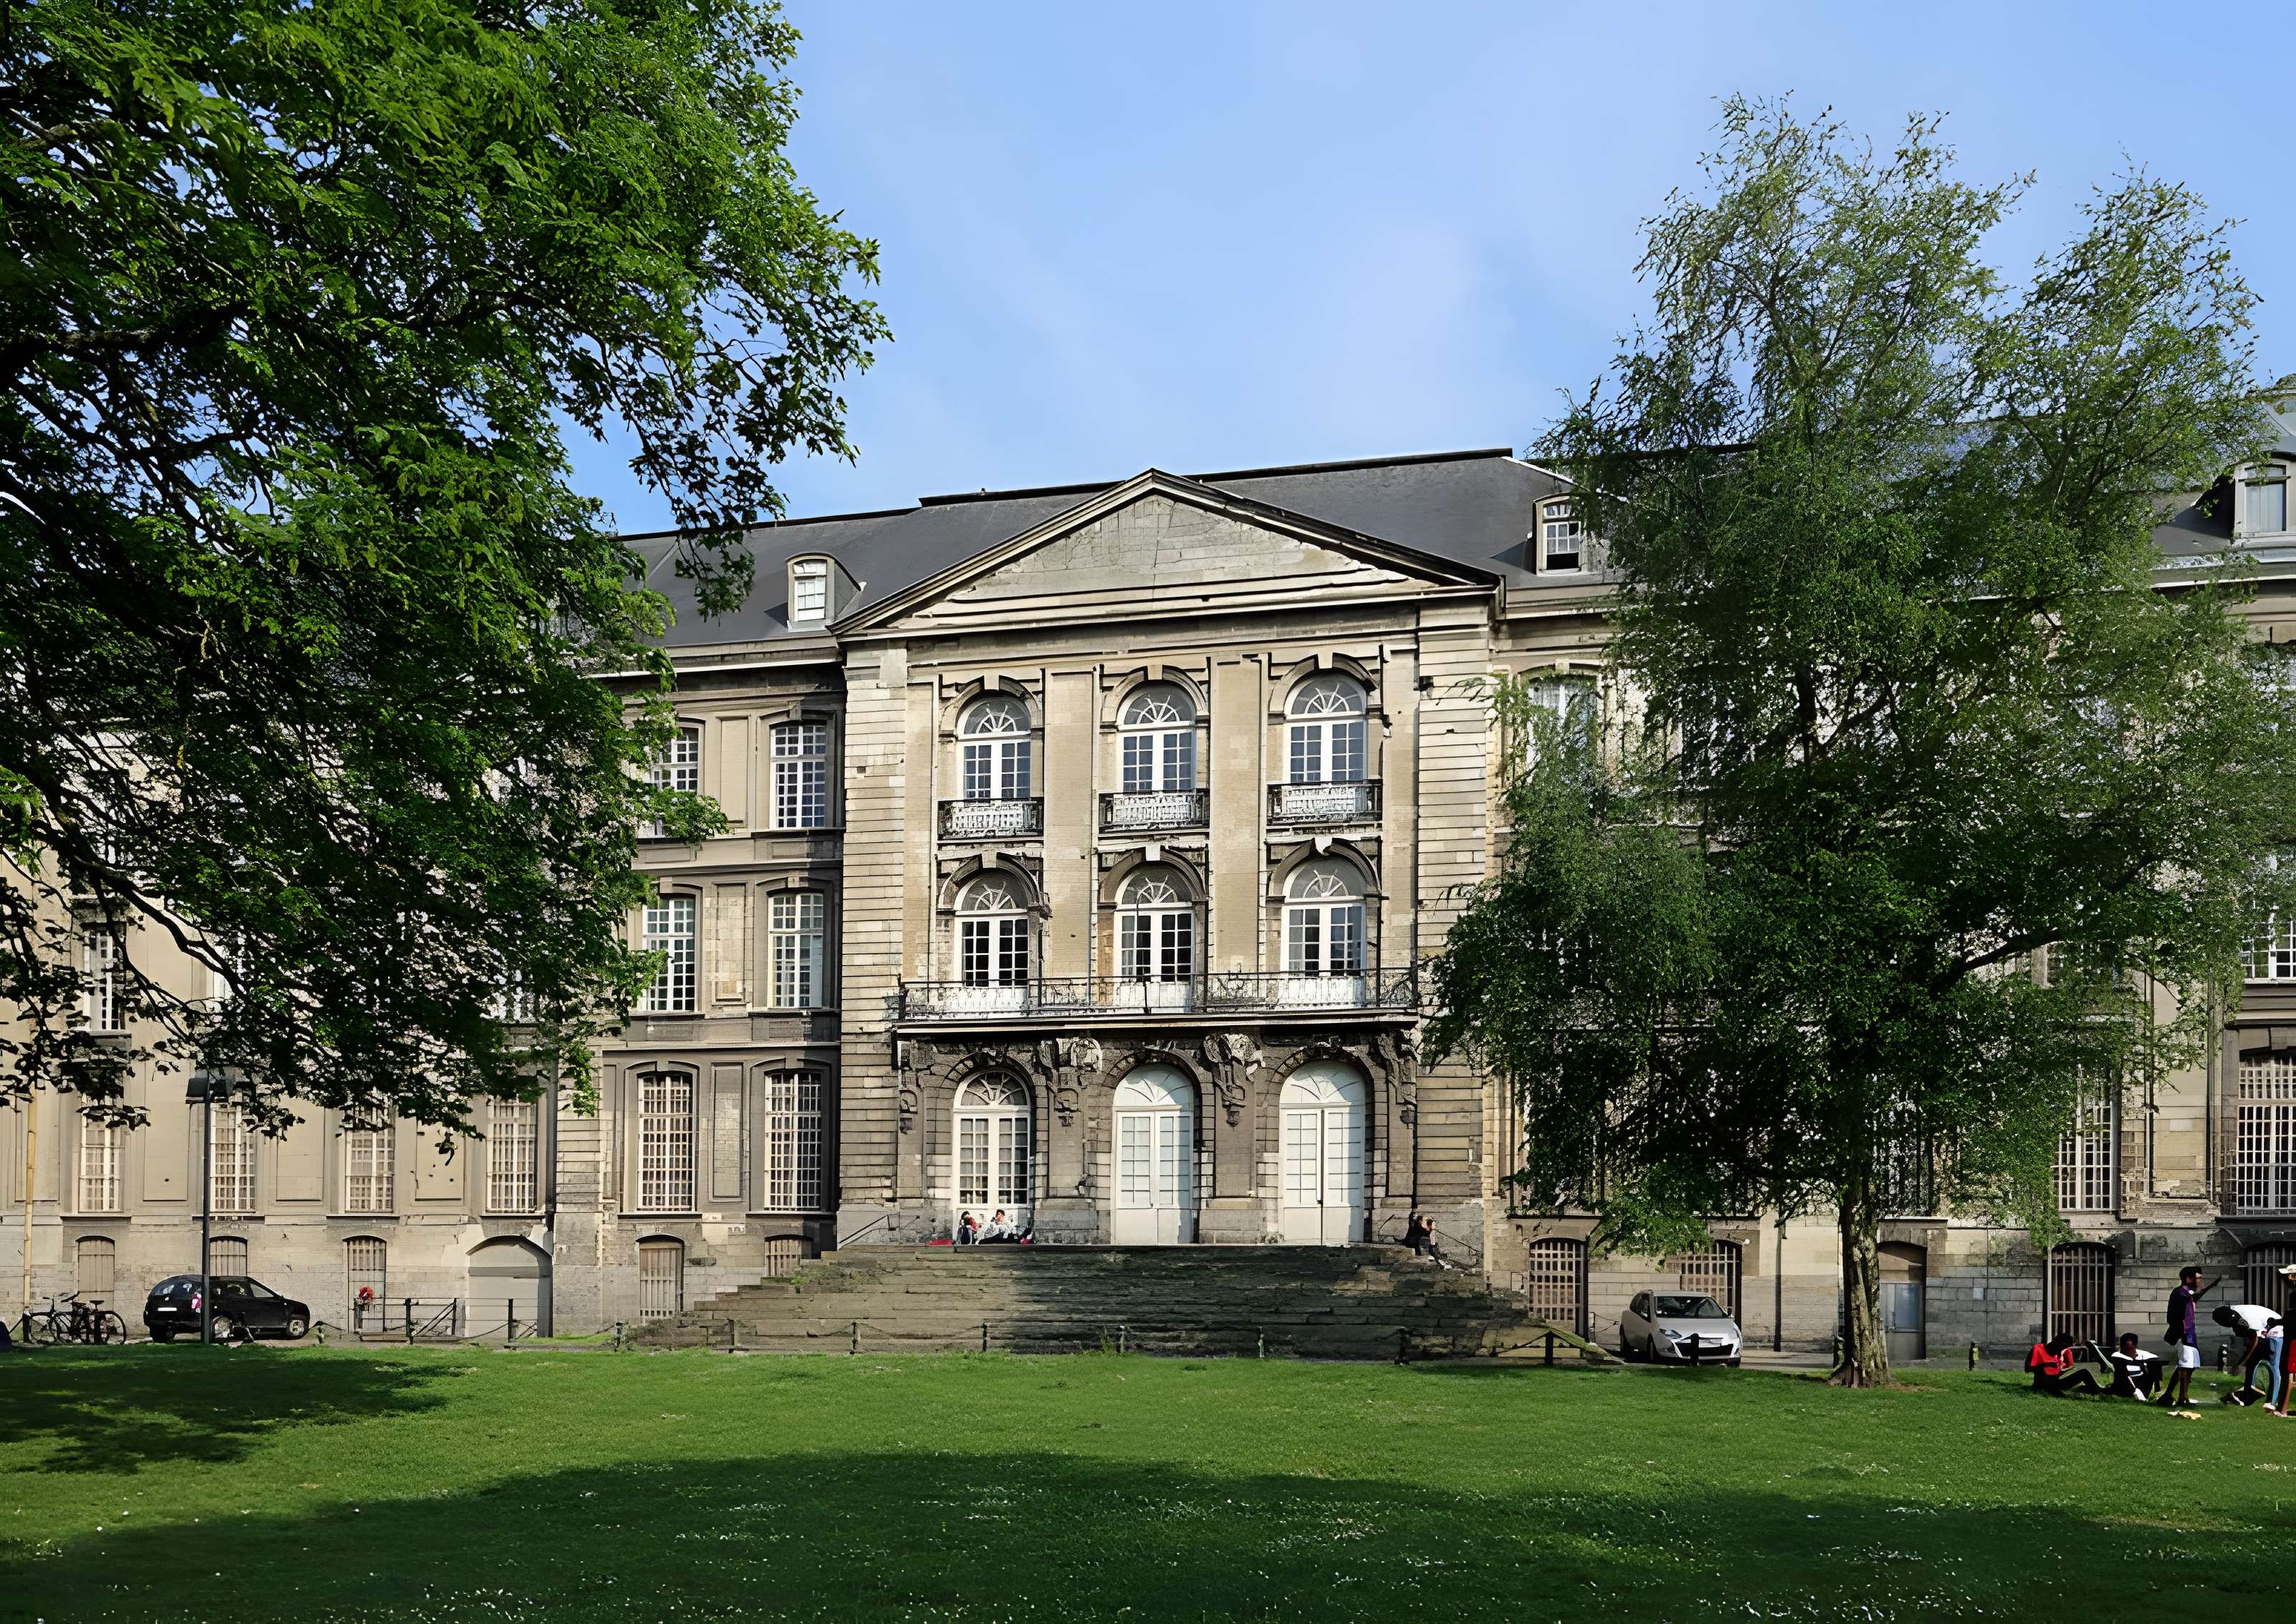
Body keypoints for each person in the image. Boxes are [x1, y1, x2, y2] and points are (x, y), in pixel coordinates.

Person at [2159, 1265, 2217, 1409]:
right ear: (2189, 1278)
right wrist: (2183, 1333)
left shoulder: (2187, 1293)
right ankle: (2182, 1397)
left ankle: (2172, 1394)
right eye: (2198, 1278)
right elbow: (2178, 1313)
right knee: (2185, 1366)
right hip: (2183, 1334)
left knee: (2189, 1366)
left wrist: (2209, 1287)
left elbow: (2195, 1297)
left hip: (2190, 1334)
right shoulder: (2180, 1293)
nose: (2200, 1281)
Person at [2213, 1301, 2285, 1408]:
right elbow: (2248, 1343)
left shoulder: (2249, 1320)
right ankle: (2249, 1394)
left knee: (2273, 1364)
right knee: (2252, 1363)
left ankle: (2272, 1402)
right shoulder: (2228, 1313)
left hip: (2276, 1329)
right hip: (2263, 1330)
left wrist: (2241, 1363)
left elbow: (2254, 1342)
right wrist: (2240, 1362)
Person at [2026, 1335, 2104, 1397]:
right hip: (2043, 1384)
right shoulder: (2038, 1349)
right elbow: (2027, 1369)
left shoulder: (2057, 1354)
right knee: (2060, 1393)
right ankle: (2095, 1390)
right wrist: (2046, 1364)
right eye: (2064, 1348)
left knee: (2084, 1372)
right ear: (2059, 1345)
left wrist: (2063, 1370)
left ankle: (2098, 1391)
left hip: (2056, 1383)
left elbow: (2055, 1373)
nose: (2063, 1351)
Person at [2092, 1332, 2162, 1401]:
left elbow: (2155, 1362)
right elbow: (2123, 1373)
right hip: (2124, 1385)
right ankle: (2136, 1392)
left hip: (2142, 1383)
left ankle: (2156, 1393)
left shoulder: (2145, 1355)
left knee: (2155, 1365)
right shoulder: (2117, 1356)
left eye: (2130, 1348)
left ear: (2135, 1346)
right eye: (2124, 1348)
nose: (2127, 1351)